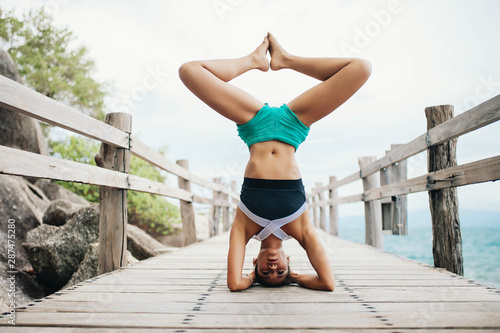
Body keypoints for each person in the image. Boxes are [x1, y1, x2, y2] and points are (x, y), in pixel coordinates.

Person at [179, 32, 371, 291]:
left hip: (254, 125)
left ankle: (253, 60)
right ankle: (286, 59)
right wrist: (295, 278)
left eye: (265, 272)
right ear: (288, 261)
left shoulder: (246, 225)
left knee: (189, 71)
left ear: (255, 262)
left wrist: (250, 279)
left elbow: (235, 284)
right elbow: (328, 284)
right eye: (280, 271)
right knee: (361, 68)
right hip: (294, 126)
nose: (272, 268)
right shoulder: (298, 227)